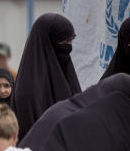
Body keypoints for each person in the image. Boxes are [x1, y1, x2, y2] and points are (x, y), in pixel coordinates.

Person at [11, 13, 81, 141]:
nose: (68, 48)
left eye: (70, 41)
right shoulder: (28, 88)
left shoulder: (66, 73)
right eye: (63, 42)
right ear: (47, 43)